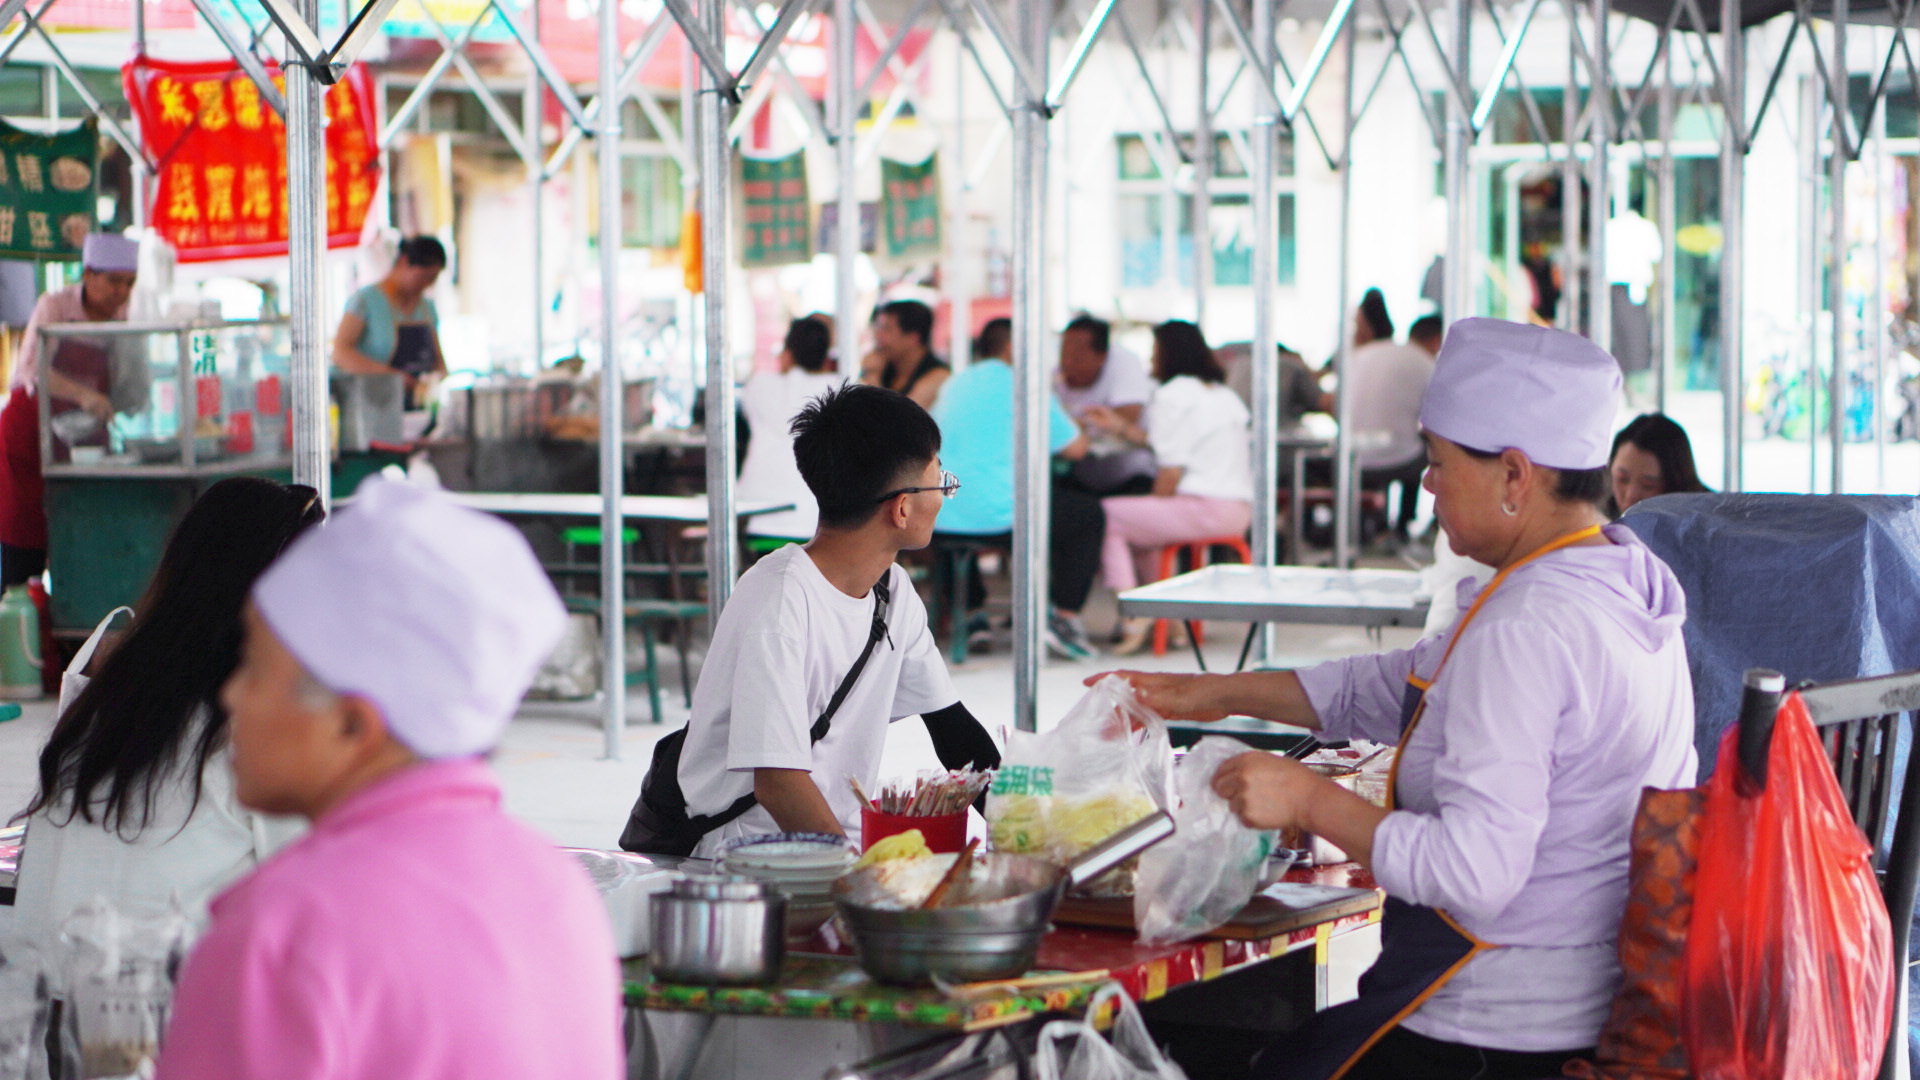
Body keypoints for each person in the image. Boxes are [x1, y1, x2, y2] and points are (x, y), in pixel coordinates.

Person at [1104, 318, 1697, 1080]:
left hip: (1488, 1026)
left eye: (1438, 460)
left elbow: (1472, 874)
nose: (1427, 482)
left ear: (1516, 475)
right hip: (1586, 1003)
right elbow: (1403, 683)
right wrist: (1211, 693)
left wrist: (1306, 798)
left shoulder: (1527, 624)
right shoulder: (1617, 579)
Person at [155, 477, 621, 1080]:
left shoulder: (279, 933)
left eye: (254, 667)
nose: (231, 693)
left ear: (353, 724)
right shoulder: (560, 892)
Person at [662, 384, 1000, 857]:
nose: (944, 493)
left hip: (834, 843)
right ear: (902, 507)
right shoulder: (780, 600)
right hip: (749, 855)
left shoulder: (892, 590)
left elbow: (953, 730)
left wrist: (1029, 827)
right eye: (939, 477)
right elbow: (778, 784)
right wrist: (858, 877)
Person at [10, 479, 322, 947]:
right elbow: (323, 903)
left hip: (43, 1001)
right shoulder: (258, 728)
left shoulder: (104, 702)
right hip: (158, 1005)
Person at [929, 318, 1099, 659]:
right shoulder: (1024, 384)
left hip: (939, 513)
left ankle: (973, 614)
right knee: (1087, 515)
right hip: (1002, 520)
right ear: (1011, 348)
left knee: (964, 502)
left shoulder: (954, 383)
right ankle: (1063, 617)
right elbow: (1075, 449)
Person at [1083, 321, 1252, 656]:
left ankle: (1134, 613)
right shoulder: (1223, 395)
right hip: (1236, 510)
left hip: (1203, 506)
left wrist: (1154, 503)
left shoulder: (1170, 395)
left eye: (1154, 351)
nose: (1150, 359)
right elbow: (1173, 444)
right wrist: (1120, 426)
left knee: (1103, 515)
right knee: (1140, 528)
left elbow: (1170, 468)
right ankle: (1167, 618)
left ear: (1168, 354)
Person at [0, 233, 141, 586]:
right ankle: (22, 619)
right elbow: (32, 368)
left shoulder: (123, 317)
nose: (121, 292)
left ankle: (71, 625)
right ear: (88, 273)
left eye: (129, 283)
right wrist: (84, 395)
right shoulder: (56, 305)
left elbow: (125, 385)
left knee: (80, 532)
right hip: (28, 437)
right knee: (25, 537)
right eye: (113, 281)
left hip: (77, 440)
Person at [738, 317, 847, 540]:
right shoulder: (840, 389)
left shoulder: (759, 385)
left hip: (753, 515)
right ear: (827, 355)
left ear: (787, 352)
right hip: (815, 522)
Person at [1343, 320, 1438, 541]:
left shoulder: (1367, 352)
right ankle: (1404, 525)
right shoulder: (1425, 363)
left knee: (1402, 441)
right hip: (1396, 458)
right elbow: (1436, 419)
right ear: (1435, 340)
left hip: (1349, 455)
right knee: (1433, 450)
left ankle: (1376, 523)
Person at [1055, 314, 1158, 496]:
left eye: (1077, 356)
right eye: (1064, 352)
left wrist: (1078, 425)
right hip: (1081, 475)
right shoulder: (1055, 375)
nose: (1067, 362)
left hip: (1130, 476)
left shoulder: (1125, 363)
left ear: (1101, 356)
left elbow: (1128, 416)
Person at [331, 235, 448, 396]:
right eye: (423, 277)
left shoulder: (427, 307)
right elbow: (340, 353)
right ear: (404, 262)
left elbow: (439, 362)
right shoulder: (365, 301)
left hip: (416, 404)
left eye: (432, 280)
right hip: (372, 404)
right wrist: (391, 376)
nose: (426, 285)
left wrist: (436, 378)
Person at [1607, 412, 1709, 517]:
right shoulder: (1597, 514)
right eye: (1622, 479)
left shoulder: (1707, 523)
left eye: (1648, 485)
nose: (1630, 496)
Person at [860, 299, 949, 409]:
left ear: (913, 337)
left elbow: (901, 421)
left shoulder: (938, 376)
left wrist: (873, 378)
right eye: (878, 328)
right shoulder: (887, 368)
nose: (878, 336)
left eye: (887, 329)